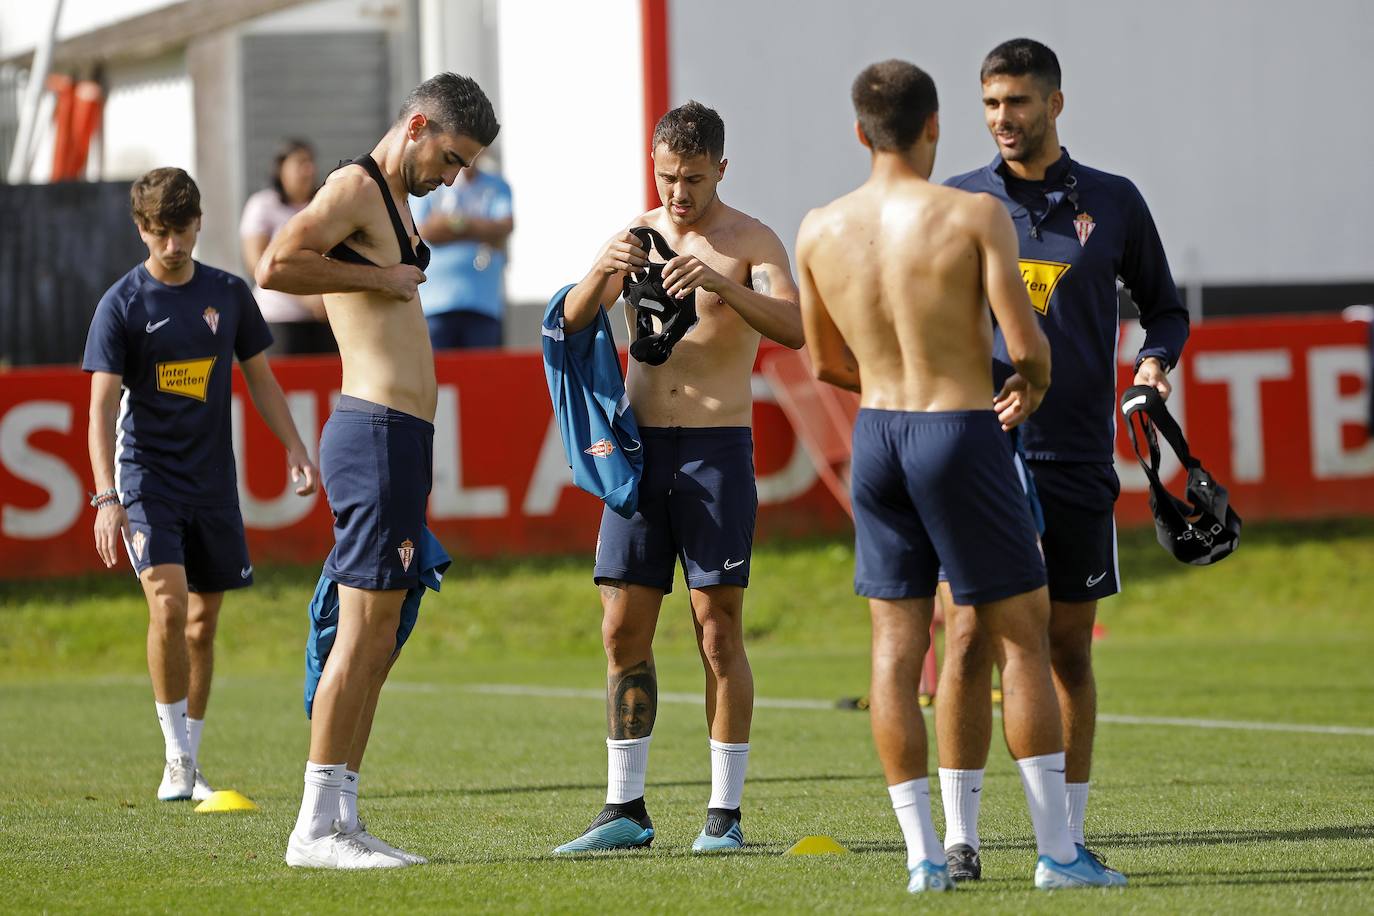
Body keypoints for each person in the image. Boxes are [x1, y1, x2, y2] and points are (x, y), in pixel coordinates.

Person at [796, 59, 1127, 892]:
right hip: (958, 428)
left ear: (859, 132)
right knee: (1022, 637)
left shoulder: (818, 228)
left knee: (898, 644)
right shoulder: (973, 212)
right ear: (935, 126)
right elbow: (1027, 348)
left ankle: (923, 858)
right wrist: (1029, 387)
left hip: (876, 434)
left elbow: (824, 361)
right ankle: (1057, 854)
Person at [936, 38, 1188, 882]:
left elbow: (1166, 309)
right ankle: (961, 841)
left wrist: (1156, 362)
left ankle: (1066, 839)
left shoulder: (1112, 202)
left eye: (1017, 103)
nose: (1003, 120)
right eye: (990, 105)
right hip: (976, 455)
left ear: (1055, 103)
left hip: (1078, 456)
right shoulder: (959, 201)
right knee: (967, 640)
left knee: (1068, 651)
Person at [255, 72, 498, 869]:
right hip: (372, 431)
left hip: (399, 437)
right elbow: (277, 263)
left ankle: (343, 816)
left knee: (381, 632)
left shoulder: (393, 203)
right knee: (359, 632)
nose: (452, 177)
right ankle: (314, 829)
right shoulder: (355, 186)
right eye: (452, 158)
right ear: (419, 125)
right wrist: (379, 277)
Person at [551, 101, 803, 855]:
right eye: (667, 177)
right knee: (621, 628)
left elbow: (796, 328)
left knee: (717, 629)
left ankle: (723, 818)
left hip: (716, 449)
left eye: (694, 179)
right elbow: (565, 325)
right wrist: (599, 270)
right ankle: (624, 810)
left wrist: (724, 288)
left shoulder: (751, 240)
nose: (679, 194)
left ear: (721, 168)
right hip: (637, 454)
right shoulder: (636, 233)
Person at [83, 167, 317, 806]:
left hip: (214, 483)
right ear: (142, 230)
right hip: (146, 481)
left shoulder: (229, 294)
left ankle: (194, 753)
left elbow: (261, 379)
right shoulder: (122, 304)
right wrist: (107, 497)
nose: (172, 245)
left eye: (181, 231)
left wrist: (294, 446)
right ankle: (177, 761)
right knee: (168, 603)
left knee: (202, 624)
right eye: (159, 233)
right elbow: (101, 409)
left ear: (198, 224)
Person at [240, 139, 335, 355]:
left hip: (325, 319)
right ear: (281, 168)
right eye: (300, 163)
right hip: (279, 319)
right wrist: (307, 299)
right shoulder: (262, 205)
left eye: (310, 162)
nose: (308, 170)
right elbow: (256, 264)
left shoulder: (324, 204)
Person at [411, 162, 513, 348]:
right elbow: (425, 231)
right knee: (437, 373)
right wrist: (479, 228)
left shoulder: (497, 186)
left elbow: (504, 227)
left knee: (482, 374)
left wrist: (452, 223)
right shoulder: (428, 184)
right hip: (435, 304)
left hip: (484, 303)